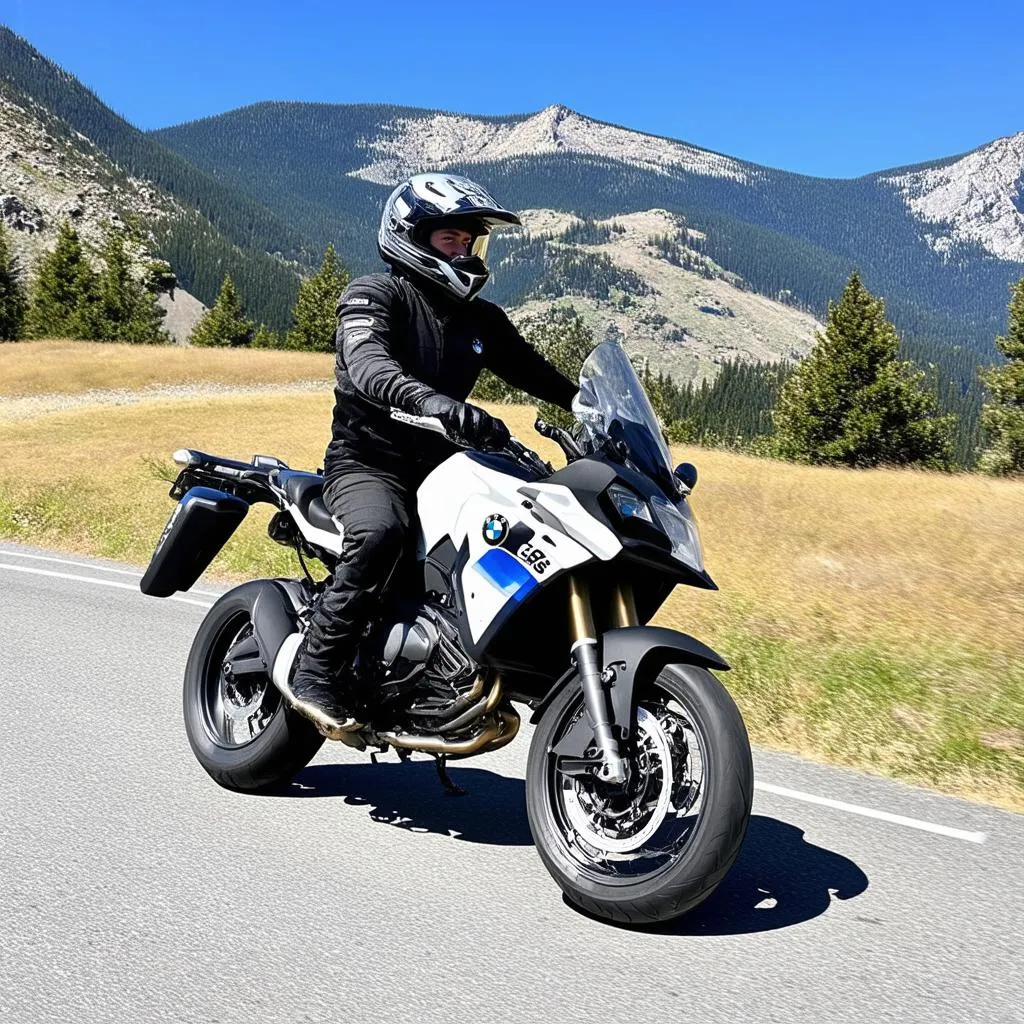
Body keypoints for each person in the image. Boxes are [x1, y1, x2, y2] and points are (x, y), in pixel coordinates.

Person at [285, 172, 578, 736]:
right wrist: (436, 404)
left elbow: (538, 374)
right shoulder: (375, 295)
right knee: (381, 535)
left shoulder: (481, 320)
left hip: (446, 470)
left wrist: (591, 405)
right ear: (411, 237)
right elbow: (369, 366)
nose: (465, 250)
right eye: (452, 239)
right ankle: (314, 670)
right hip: (368, 463)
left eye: (472, 242)